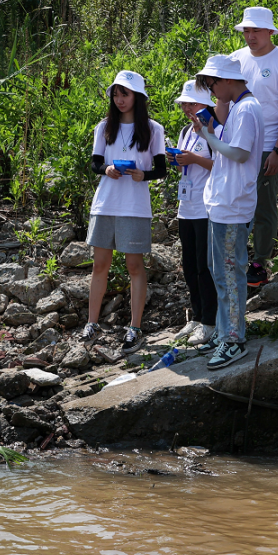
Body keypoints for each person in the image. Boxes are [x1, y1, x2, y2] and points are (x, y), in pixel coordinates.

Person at [80, 70, 167, 355]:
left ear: (137, 97)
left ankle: (135, 327)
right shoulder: (104, 126)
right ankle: (92, 323)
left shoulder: (153, 129)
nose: (119, 99)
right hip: (105, 203)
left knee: (134, 267)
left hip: (135, 207)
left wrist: (145, 175)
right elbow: (94, 163)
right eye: (115, 94)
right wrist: (105, 169)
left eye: (124, 94)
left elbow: (162, 169)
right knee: (99, 265)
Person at [193, 56, 264, 369]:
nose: (211, 90)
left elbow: (240, 153)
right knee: (220, 271)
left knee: (229, 273)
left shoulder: (247, 108)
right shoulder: (237, 108)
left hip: (233, 205)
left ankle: (234, 340)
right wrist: (212, 130)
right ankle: (226, 333)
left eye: (212, 84)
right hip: (222, 203)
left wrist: (209, 136)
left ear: (226, 80)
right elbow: (230, 146)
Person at [226, 7, 278, 287]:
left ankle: (260, 261)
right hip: (237, 146)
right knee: (234, 204)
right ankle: (234, 257)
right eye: (247, 30)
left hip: (267, 146)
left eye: (256, 30)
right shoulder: (236, 59)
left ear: (270, 32)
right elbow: (224, 100)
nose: (250, 36)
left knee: (263, 207)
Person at [169, 80, 218, 347]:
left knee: (204, 266)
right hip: (185, 208)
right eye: (184, 104)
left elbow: (221, 165)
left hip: (206, 207)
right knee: (189, 265)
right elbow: (182, 170)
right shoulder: (187, 130)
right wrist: (177, 159)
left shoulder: (212, 129)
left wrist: (193, 159)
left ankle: (210, 322)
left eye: (192, 103)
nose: (187, 108)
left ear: (206, 103)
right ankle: (197, 316)